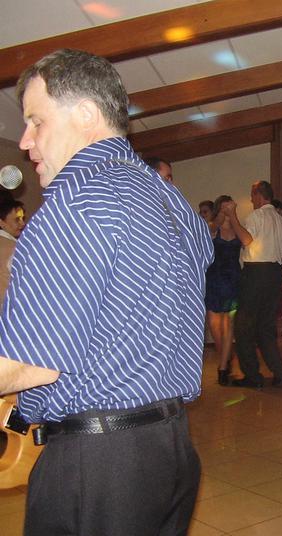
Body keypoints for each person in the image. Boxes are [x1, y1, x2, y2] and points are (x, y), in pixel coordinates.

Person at [0, 49, 213, 536]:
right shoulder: (170, 200)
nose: (25, 141)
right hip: (171, 448)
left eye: (36, 121)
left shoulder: (76, 201)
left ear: (86, 114)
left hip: (98, 465)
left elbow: (32, 362)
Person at [232, 180, 282, 388]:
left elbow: (246, 240)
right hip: (273, 274)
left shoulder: (256, 217)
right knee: (266, 327)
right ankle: (280, 373)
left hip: (255, 274)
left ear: (259, 195)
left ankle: (253, 376)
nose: (251, 199)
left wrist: (233, 217)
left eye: (252, 195)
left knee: (243, 326)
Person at [205, 195, 251, 385]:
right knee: (214, 324)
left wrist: (233, 216)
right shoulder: (212, 227)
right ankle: (226, 356)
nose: (226, 211)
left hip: (232, 279)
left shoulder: (236, 226)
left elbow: (247, 240)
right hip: (214, 279)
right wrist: (219, 218)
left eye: (229, 207)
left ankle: (223, 369)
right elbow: (208, 230)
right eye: (223, 208)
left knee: (229, 323)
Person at [0, 198, 25, 306]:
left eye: (23, 218)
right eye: (17, 219)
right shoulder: (13, 248)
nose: (22, 223)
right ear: (1, 222)